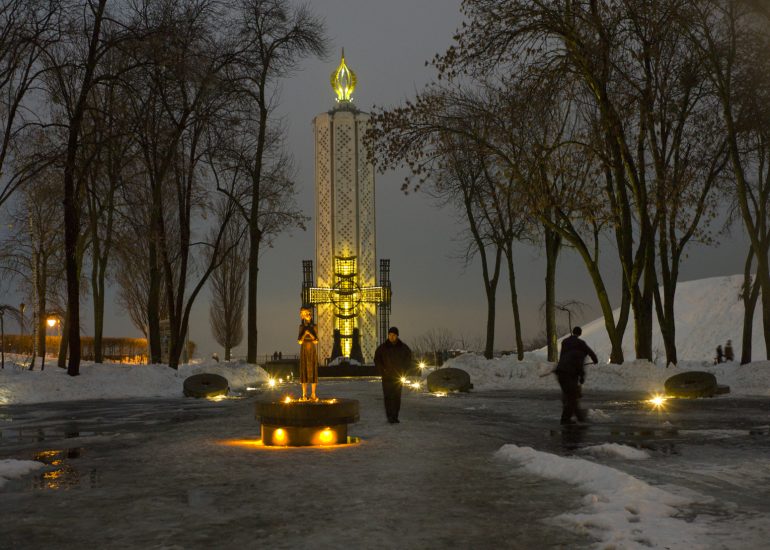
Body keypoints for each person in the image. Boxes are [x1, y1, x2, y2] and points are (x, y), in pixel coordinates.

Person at [554, 326, 598, 425]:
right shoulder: (581, 347)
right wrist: (594, 360)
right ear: (580, 333)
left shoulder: (565, 342)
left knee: (569, 395)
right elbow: (580, 364)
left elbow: (563, 357)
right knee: (572, 396)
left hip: (561, 371)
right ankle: (566, 419)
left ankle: (578, 417)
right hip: (570, 373)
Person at [374, 326, 412, 424]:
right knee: (387, 397)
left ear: (397, 336)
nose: (391, 337)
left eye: (394, 335)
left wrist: (404, 370)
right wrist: (382, 371)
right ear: (388, 335)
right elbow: (377, 360)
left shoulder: (403, 348)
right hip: (386, 377)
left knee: (396, 397)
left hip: (398, 377)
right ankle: (389, 416)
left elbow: (409, 360)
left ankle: (395, 416)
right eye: (390, 335)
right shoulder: (382, 348)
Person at [297, 308, 319, 401]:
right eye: (306, 313)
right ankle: (304, 394)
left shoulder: (314, 326)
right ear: (302, 315)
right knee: (304, 371)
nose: (308, 314)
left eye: (309, 313)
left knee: (313, 371)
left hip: (312, 351)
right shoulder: (301, 327)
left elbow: (316, 341)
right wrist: (303, 335)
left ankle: (313, 394)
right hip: (304, 350)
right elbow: (299, 341)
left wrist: (310, 334)